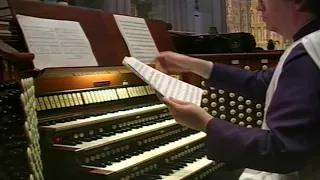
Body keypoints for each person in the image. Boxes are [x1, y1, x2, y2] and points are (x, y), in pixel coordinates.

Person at [153, 0, 320, 179]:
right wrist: (192, 65)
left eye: (264, 0)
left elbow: (283, 150)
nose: (258, 7)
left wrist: (205, 122)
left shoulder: (309, 51)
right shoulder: (308, 43)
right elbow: (263, 83)